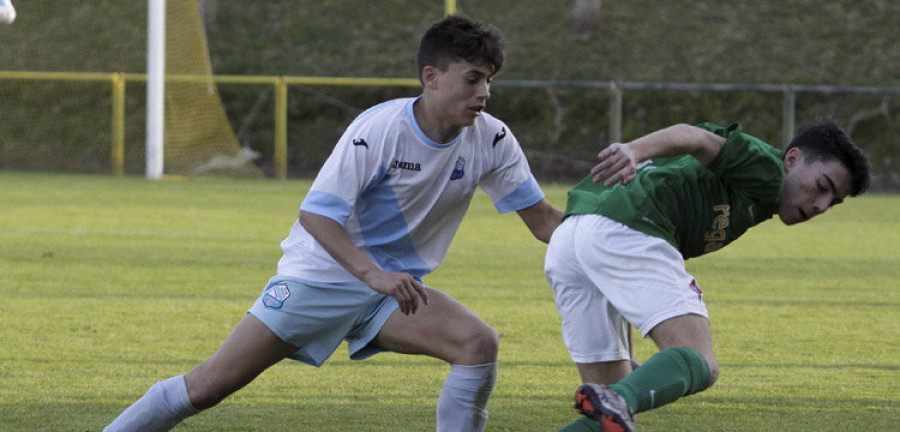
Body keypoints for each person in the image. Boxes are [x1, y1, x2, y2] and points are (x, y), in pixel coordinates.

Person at [104, 14, 562, 432]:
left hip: (393, 292)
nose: (484, 92)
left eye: (489, 80)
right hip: (321, 279)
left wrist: (612, 227)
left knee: (476, 344)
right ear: (432, 77)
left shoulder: (494, 138)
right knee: (208, 386)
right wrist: (372, 274)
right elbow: (317, 214)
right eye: (473, 78)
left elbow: (543, 222)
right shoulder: (379, 129)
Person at [544, 119, 871, 432]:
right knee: (701, 361)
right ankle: (614, 396)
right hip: (629, 228)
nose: (821, 206)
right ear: (793, 159)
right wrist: (633, 150)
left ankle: (612, 396)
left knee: (606, 417)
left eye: (834, 201)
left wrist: (625, 349)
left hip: (574, 236)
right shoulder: (768, 170)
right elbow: (694, 136)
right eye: (822, 187)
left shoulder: (756, 191)